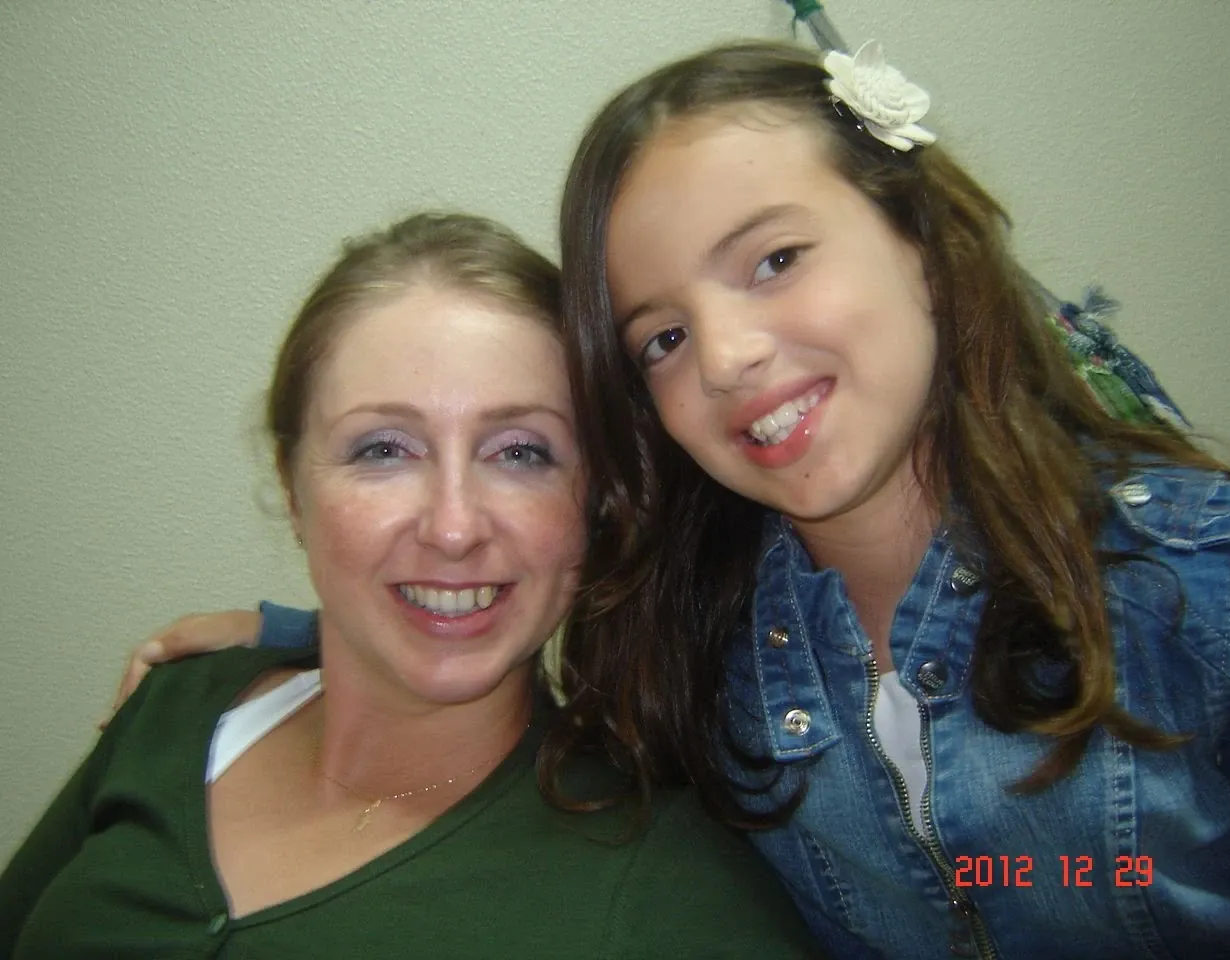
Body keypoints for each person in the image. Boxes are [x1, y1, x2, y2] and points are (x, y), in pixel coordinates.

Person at [105, 40, 1230, 959]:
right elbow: (499, 618)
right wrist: (293, 642)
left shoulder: (1216, 587)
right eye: (659, 336)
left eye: (773, 260)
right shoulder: (697, 641)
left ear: (916, 239)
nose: (722, 357)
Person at [0, 212, 825, 958]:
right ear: (293, 488)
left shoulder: (667, 892)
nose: (454, 527)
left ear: (594, 508)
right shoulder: (172, 710)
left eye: (520, 453)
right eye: (383, 450)